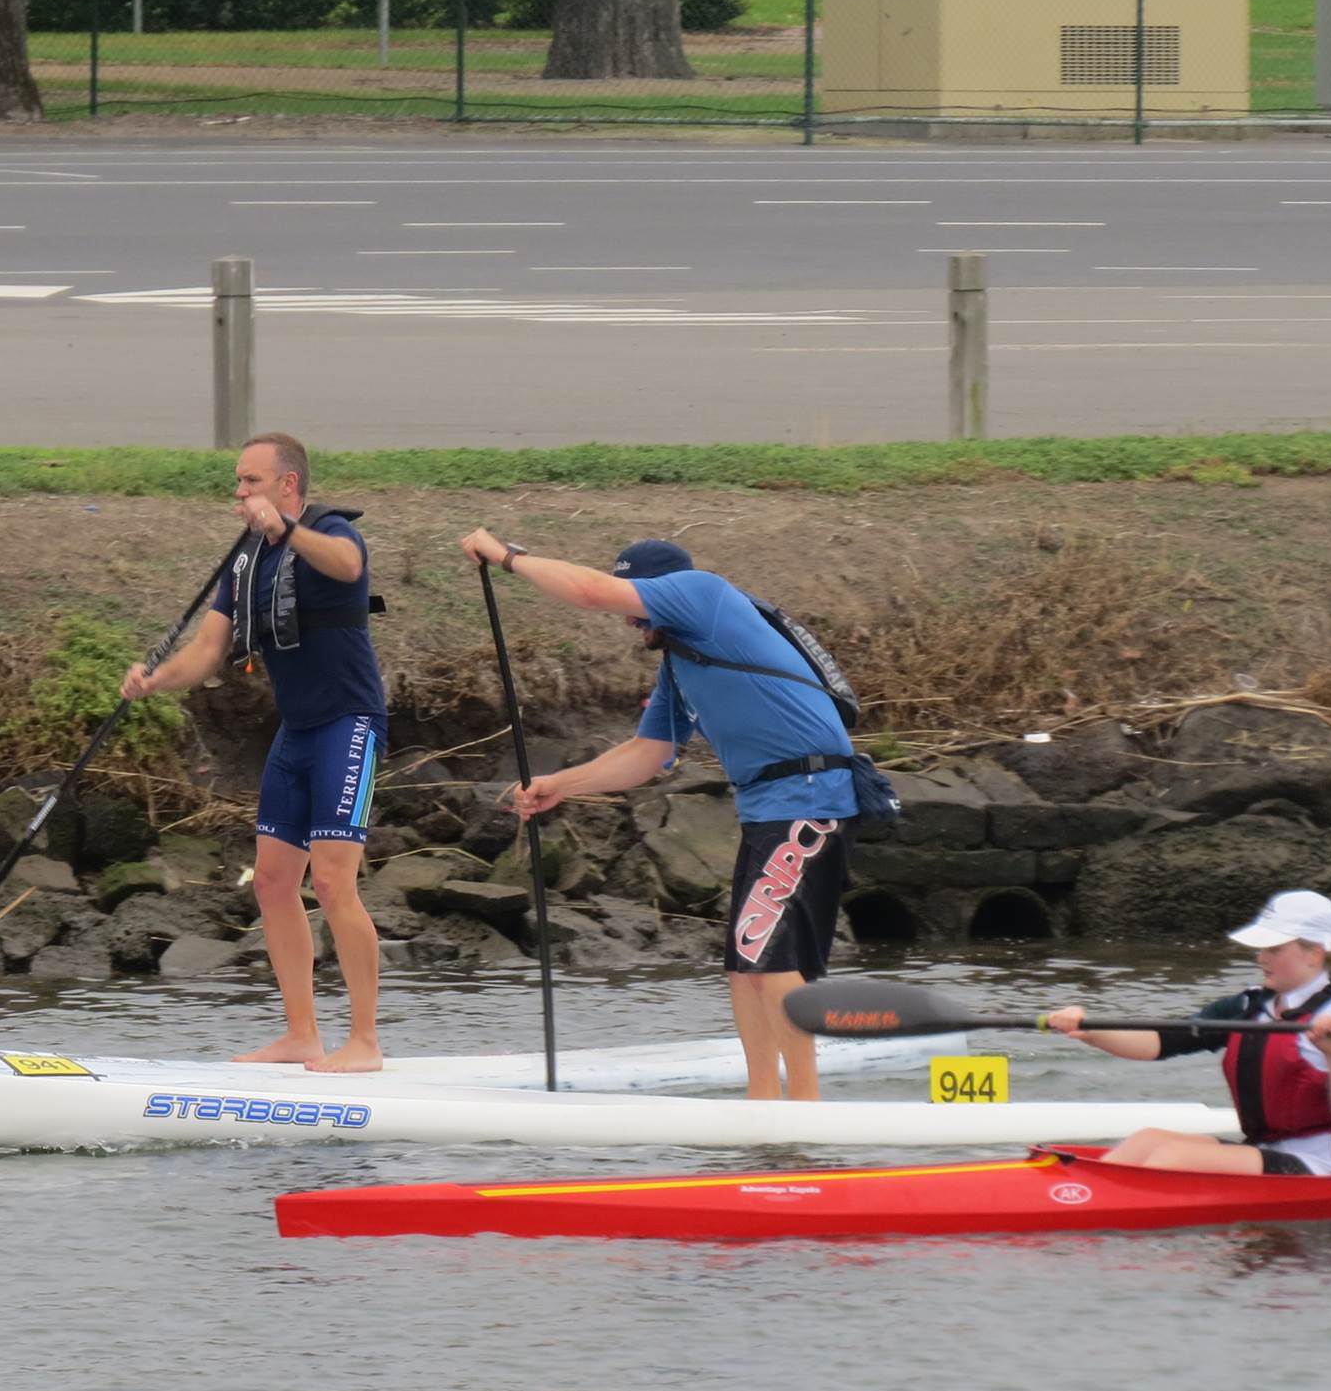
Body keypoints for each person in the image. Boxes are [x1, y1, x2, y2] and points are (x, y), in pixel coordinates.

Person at [456, 530, 857, 1100]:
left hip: (812, 795)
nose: (628, 617)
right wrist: (559, 786)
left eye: (634, 600)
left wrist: (507, 557)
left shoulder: (702, 592)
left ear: (661, 590)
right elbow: (649, 754)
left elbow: (591, 593)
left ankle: (806, 1111)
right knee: (745, 965)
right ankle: (763, 1103)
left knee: (769, 958)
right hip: (770, 807)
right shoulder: (679, 665)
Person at [122, 434, 387, 1072]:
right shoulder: (244, 562)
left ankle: (365, 1044)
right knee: (272, 882)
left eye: (251, 482)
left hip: (348, 725)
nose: (238, 493)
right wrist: (155, 681)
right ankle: (302, 1035)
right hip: (296, 733)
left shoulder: (327, 534)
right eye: (238, 483)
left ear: (288, 485)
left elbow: (348, 568)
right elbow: (209, 651)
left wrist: (287, 528)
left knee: (331, 882)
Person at [1045, 889, 1331, 1175]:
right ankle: (1078, 1200)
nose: (1260, 957)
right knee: (1146, 1141)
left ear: (1314, 954)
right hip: (1264, 1151)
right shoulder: (1248, 1006)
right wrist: (1089, 1029)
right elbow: (1160, 1042)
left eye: (1274, 949)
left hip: (1326, 1164)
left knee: (1172, 1158)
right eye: (1261, 948)